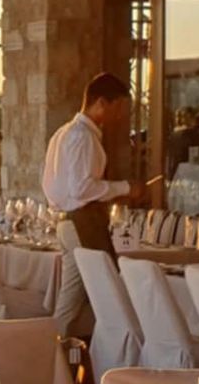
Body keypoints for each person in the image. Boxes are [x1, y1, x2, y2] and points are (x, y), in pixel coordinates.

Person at [42, 72, 148, 256]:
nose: (120, 115)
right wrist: (125, 188)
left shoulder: (63, 132)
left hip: (65, 222)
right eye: (117, 107)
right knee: (102, 281)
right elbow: (81, 189)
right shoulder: (82, 136)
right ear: (101, 103)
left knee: (74, 286)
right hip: (82, 223)